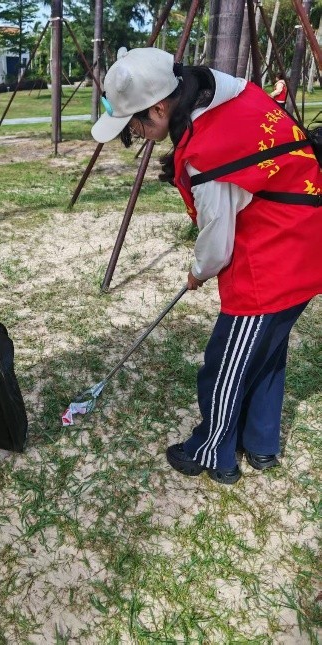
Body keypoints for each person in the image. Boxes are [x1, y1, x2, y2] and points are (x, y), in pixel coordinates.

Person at [91, 47, 321, 485]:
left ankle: (213, 451)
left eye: (136, 123)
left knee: (225, 365)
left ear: (159, 108)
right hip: (308, 247)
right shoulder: (228, 95)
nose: (136, 133)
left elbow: (217, 242)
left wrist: (198, 271)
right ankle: (261, 445)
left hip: (271, 264)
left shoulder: (207, 151)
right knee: (266, 354)